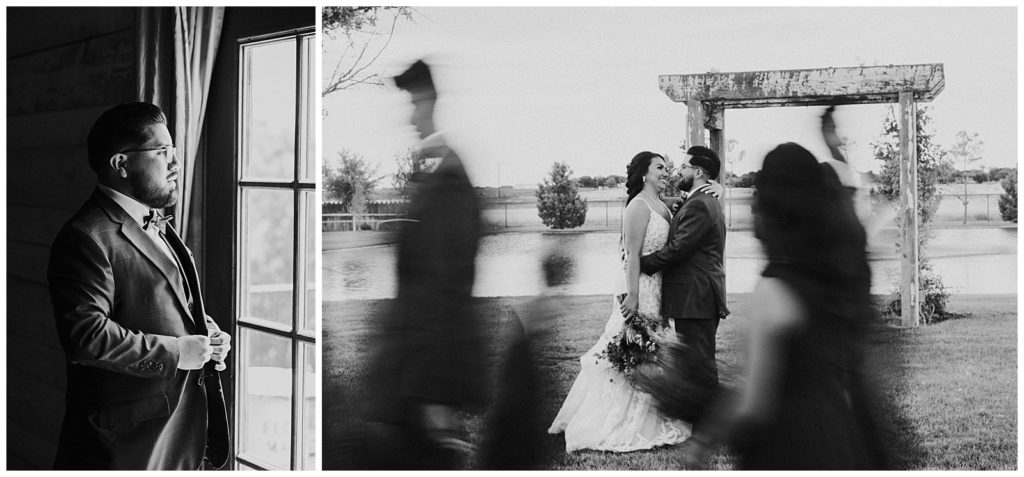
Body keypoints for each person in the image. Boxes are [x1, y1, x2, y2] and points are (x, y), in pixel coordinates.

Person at [679, 142, 888, 470]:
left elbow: (753, 404)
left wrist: (702, 437)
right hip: (842, 437)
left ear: (770, 207)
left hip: (792, 448)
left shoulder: (775, 290)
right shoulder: (837, 278)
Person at [47, 102, 231, 470]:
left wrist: (204, 335)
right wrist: (177, 352)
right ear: (121, 163)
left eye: (174, 152)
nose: (176, 164)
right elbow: (86, 337)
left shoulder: (157, 222)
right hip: (125, 448)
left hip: (178, 433)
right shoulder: (85, 237)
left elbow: (158, 301)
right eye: (163, 152)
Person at [358, 59, 486, 469]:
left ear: (430, 101)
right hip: (408, 376)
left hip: (424, 384)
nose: (409, 117)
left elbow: (445, 287)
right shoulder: (435, 174)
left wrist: (434, 394)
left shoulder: (449, 181)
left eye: (413, 103)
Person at [548, 151, 692, 452]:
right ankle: (619, 419)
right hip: (638, 285)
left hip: (658, 286)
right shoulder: (638, 207)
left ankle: (654, 413)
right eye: (659, 168)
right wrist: (634, 295)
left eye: (666, 168)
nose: (665, 172)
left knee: (653, 347)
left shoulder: (661, 206)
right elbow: (631, 256)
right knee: (631, 345)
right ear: (643, 174)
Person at [640, 145, 729, 402]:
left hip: (696, 295)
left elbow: (679, 249)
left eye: (684, 166)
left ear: (698, 172)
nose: (679, 170)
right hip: (696, 295)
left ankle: (706, 418)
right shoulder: (698, 199)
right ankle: (700, 414)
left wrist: (643, 263)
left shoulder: (701, 204)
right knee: (696, 358)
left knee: (699, 361)